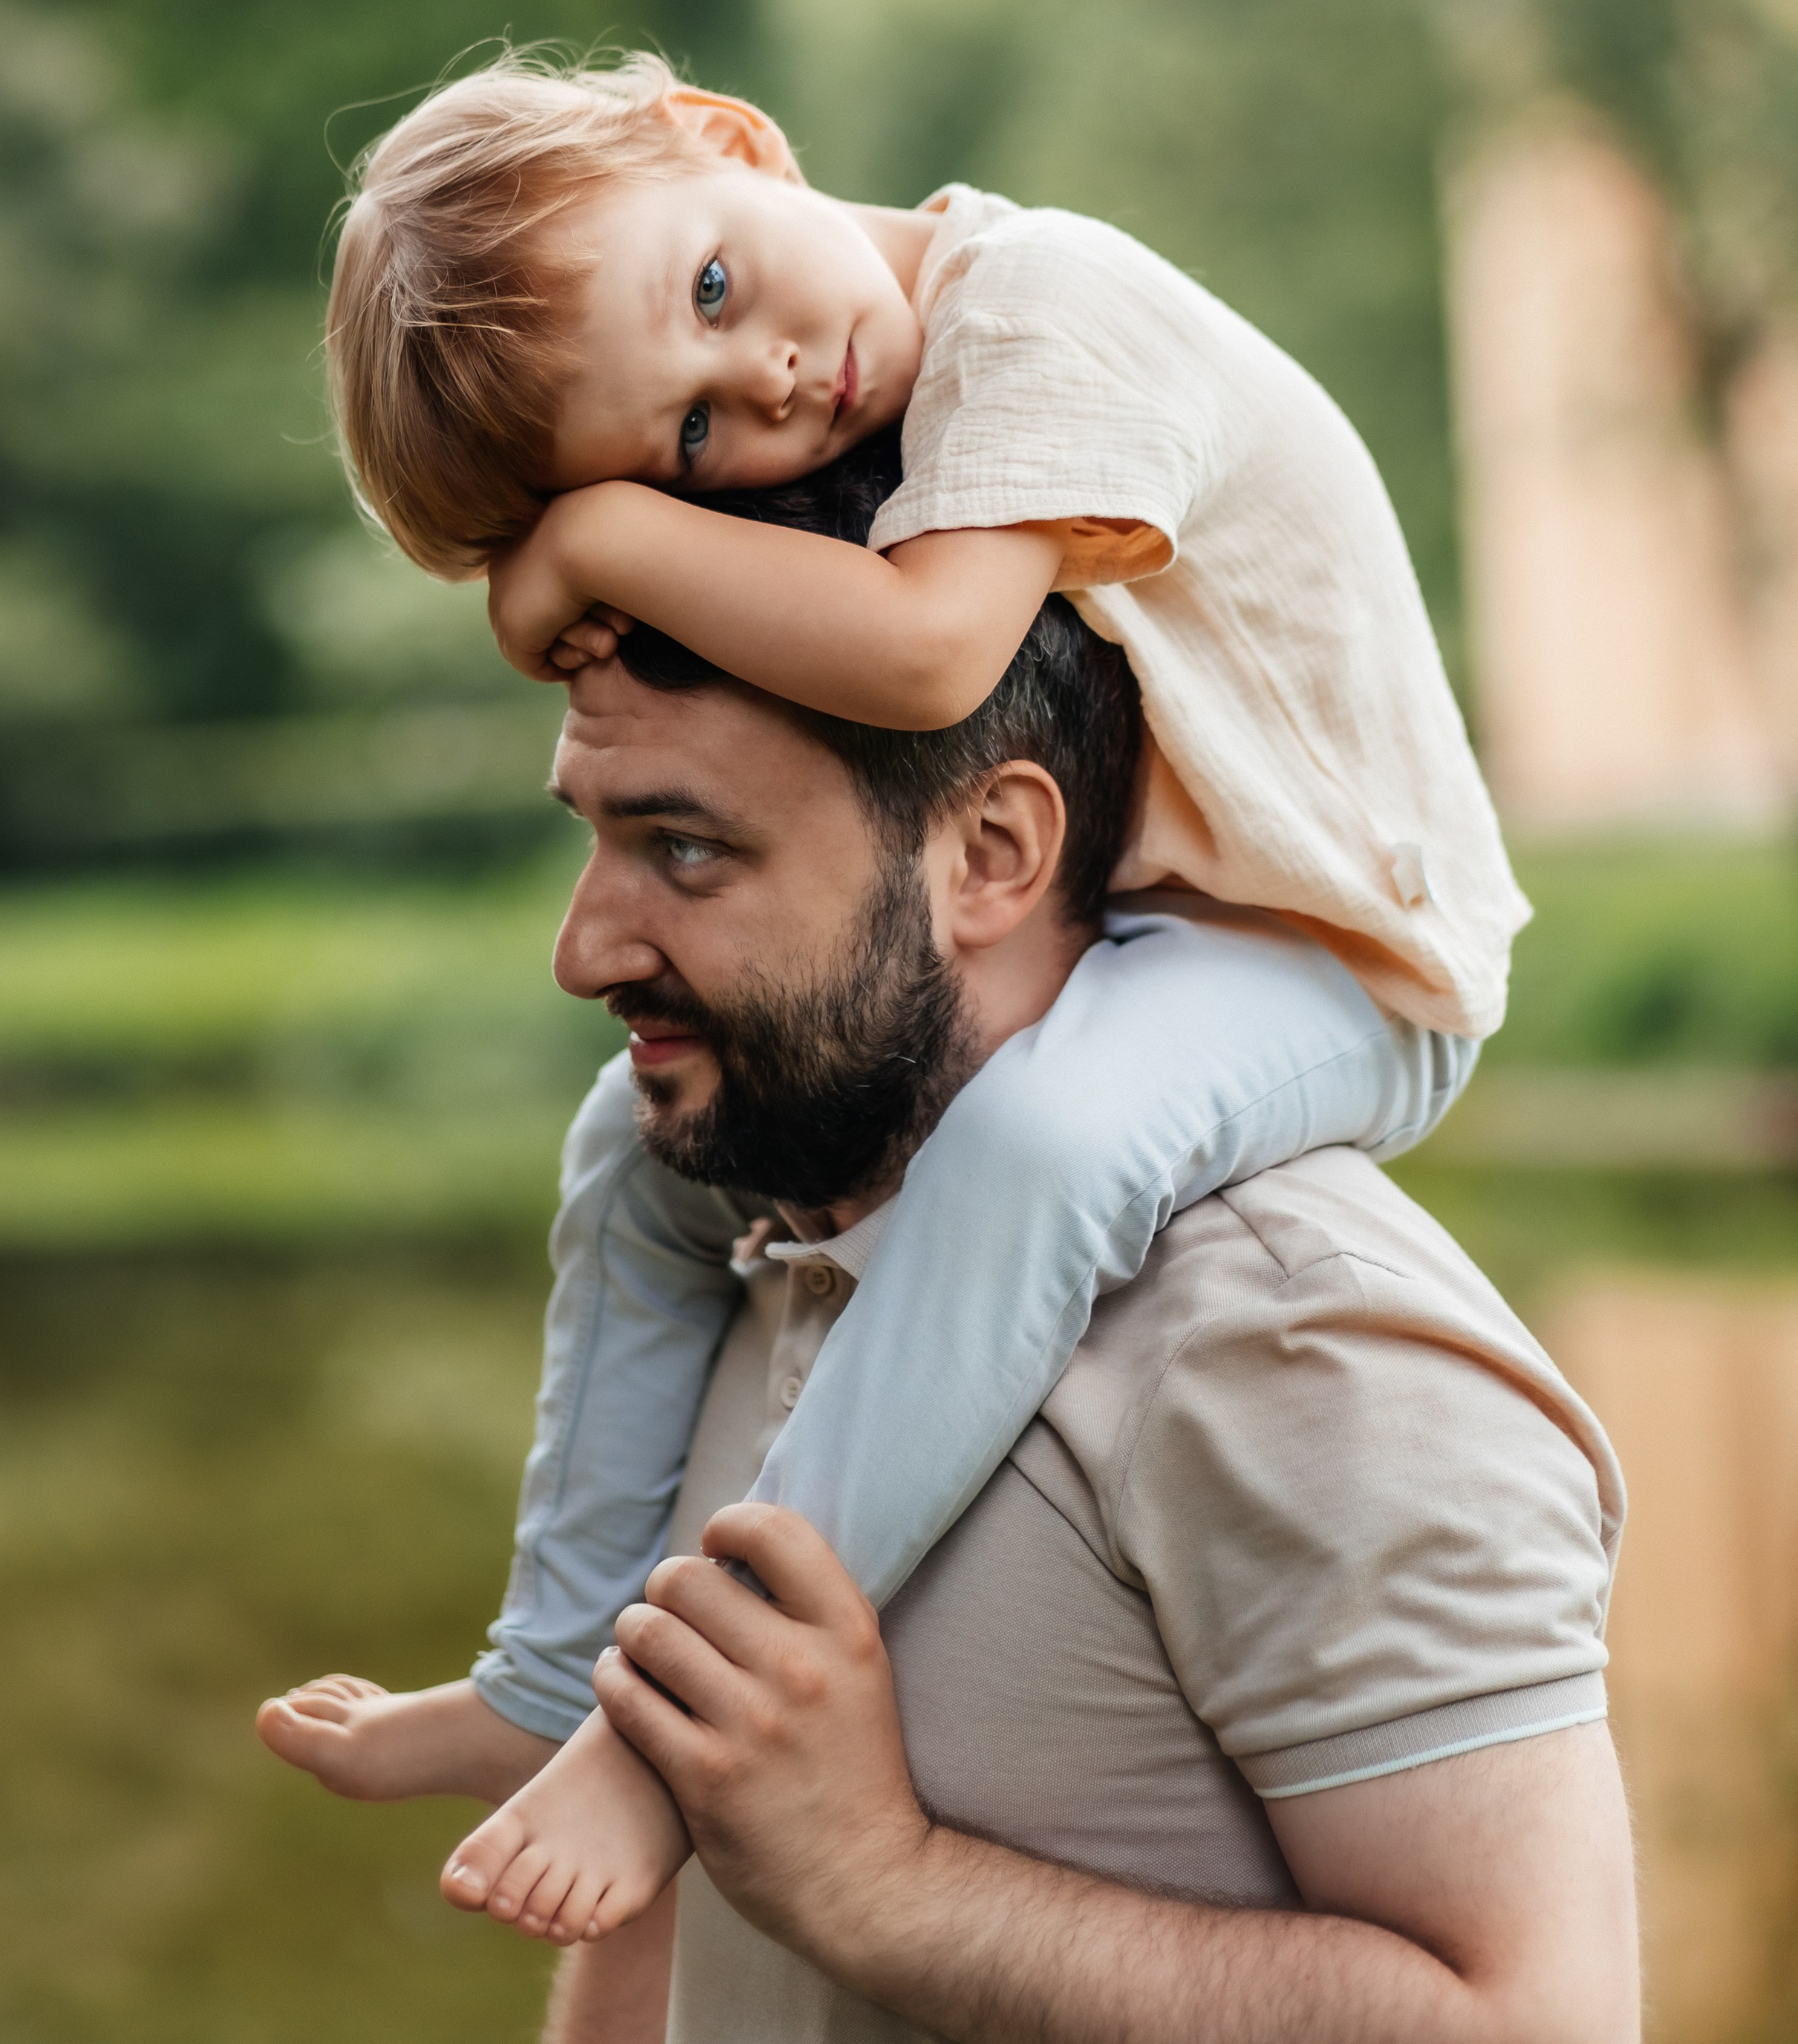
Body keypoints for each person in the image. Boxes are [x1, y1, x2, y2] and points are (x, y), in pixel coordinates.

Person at [283, 50, 1526, 1933]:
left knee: (1033, 1148)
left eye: (708, 289)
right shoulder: (869, 399)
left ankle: (675, 1726)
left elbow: (935, 655)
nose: (766, 381)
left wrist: (610, 532)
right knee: (631, 1140)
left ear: (723, 136)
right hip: (1149, 916)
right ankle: (551, 1677)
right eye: (689, 439)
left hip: (1339, 950)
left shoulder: (1046, 309)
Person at [267, 558, 1634, 2043]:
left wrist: (875, 1880)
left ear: (989, 852)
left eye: (688, 851)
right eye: (597, 839)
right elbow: (655, 1876)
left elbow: (1537, 2022)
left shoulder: (1292, 1343)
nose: (582, 949)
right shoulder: (759, 1229)